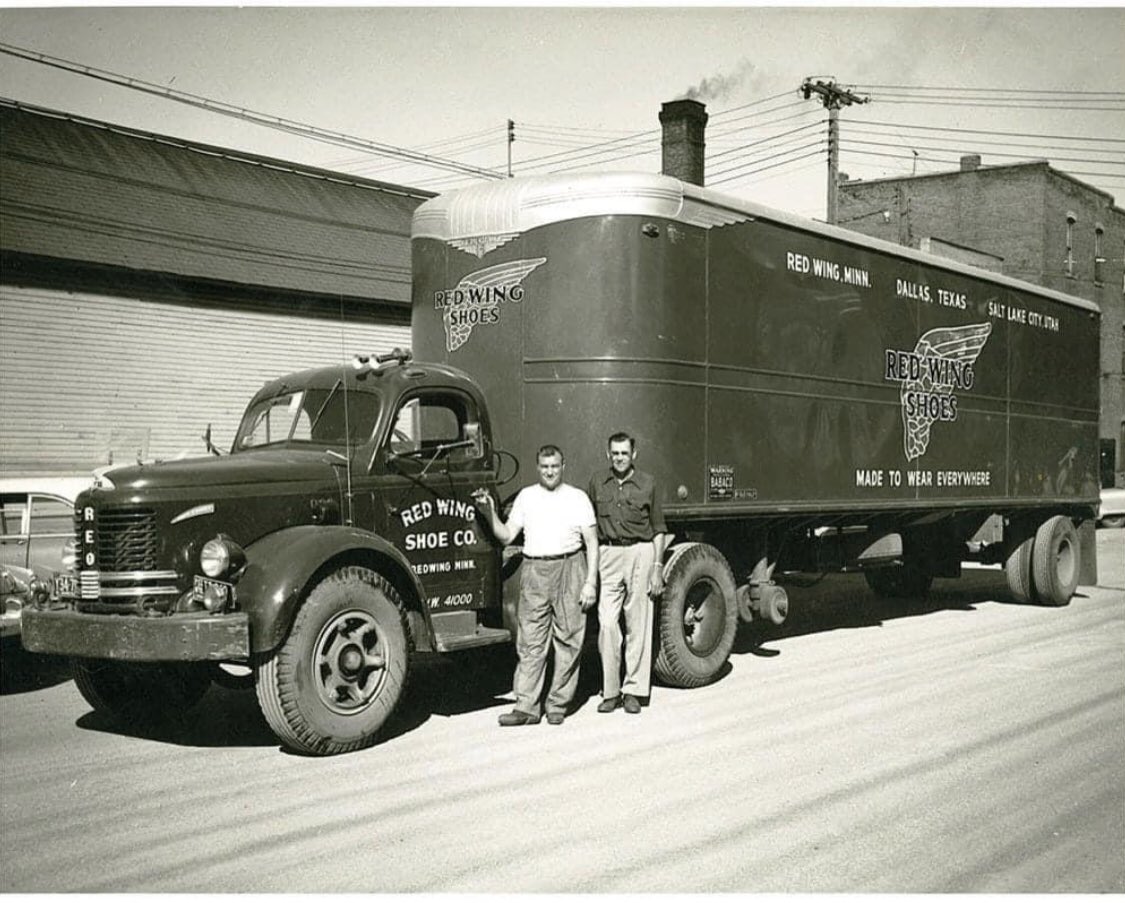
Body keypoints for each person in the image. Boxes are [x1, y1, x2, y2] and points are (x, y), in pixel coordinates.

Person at [473, 445, 598, 726]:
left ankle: (557, 704)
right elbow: (506, 536)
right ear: (538, 468)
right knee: (530, 641)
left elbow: (592, 543)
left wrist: (590, 581)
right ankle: (527, 707)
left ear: (563, 466)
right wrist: (488, 512)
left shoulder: (577, 498)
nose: (550, 471)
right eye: (544, 466)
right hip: (534, 570)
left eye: (554, 466)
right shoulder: (527, 497)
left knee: (569, 639)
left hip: (570, 566)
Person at [588, 432, 670, 714]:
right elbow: (590, 527)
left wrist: (657, 567)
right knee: (608, 623)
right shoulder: (598, 482)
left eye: (624, 453)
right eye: (615, 453)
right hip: (608, 554)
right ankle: (610, 691)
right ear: (607, 454)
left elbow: (658, 528)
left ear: (634, 454)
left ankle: (633, 690)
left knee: (638, 623)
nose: (620, 457)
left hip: (641, 553)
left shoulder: (648, 483)